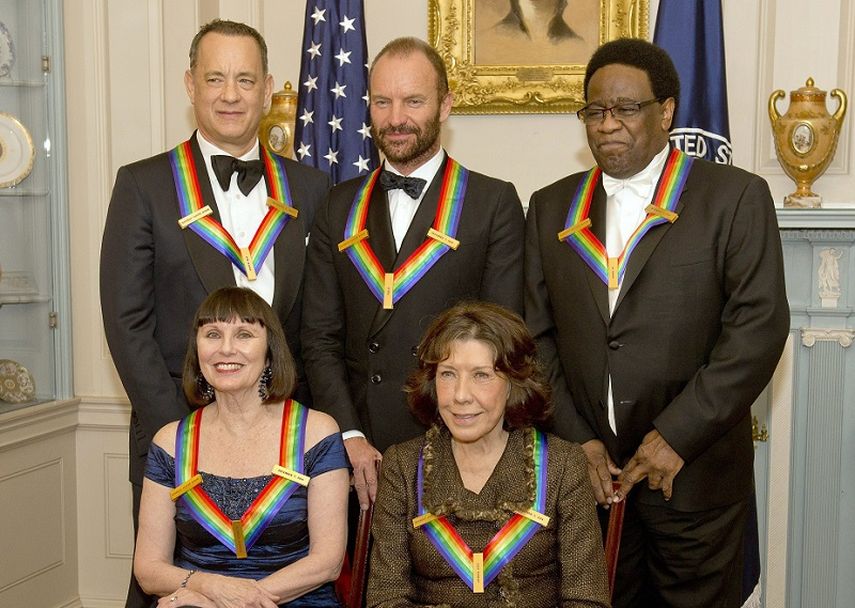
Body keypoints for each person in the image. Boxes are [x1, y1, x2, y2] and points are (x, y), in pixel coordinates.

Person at [524, 38, 790, 607]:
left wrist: (676, 437)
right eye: (594, 112)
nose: (606, 125)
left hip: (693, 482)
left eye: (625, 109)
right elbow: (536, 337)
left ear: (665, 111)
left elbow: (757, 330)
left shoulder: (735, 197)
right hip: (591, 488)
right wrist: (580, 442)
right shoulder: (550, 207)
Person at [99, 19, 330, 608]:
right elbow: (126, 322)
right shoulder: (143, 185)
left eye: (245, 79)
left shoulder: (311, 188)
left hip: (286, 451)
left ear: (269, 87)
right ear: (189, 85)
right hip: (182, 439)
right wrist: (182, 437)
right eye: (216, 78)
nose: (231, 94)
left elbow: (316, 324)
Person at [302, 37, 525, 510]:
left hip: (455, 450)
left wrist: (455, 440)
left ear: (445, 105)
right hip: (358, 456)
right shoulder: (336, 205)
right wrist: (349, 434)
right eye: (382, 102)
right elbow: (318, 338)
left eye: (413, 101)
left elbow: (502, 344)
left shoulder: (493, 204)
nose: (396, 117)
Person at [366, 301, 610, 607]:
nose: (461, 395)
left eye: (481, 375)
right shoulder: (402, 465)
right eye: (448, 374)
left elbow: (587, 600)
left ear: (513, 384)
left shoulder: (561, 465)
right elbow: (384, 598)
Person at [134, 287, 349, 607]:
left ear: (270, 350)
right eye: (212, 334)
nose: (226, 349)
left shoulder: (315, 433)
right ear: (197, 348)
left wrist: (237, 601)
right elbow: (148, 569)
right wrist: (210, 589)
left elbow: (328, 562)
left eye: (244, 334)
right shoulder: (171, 442)